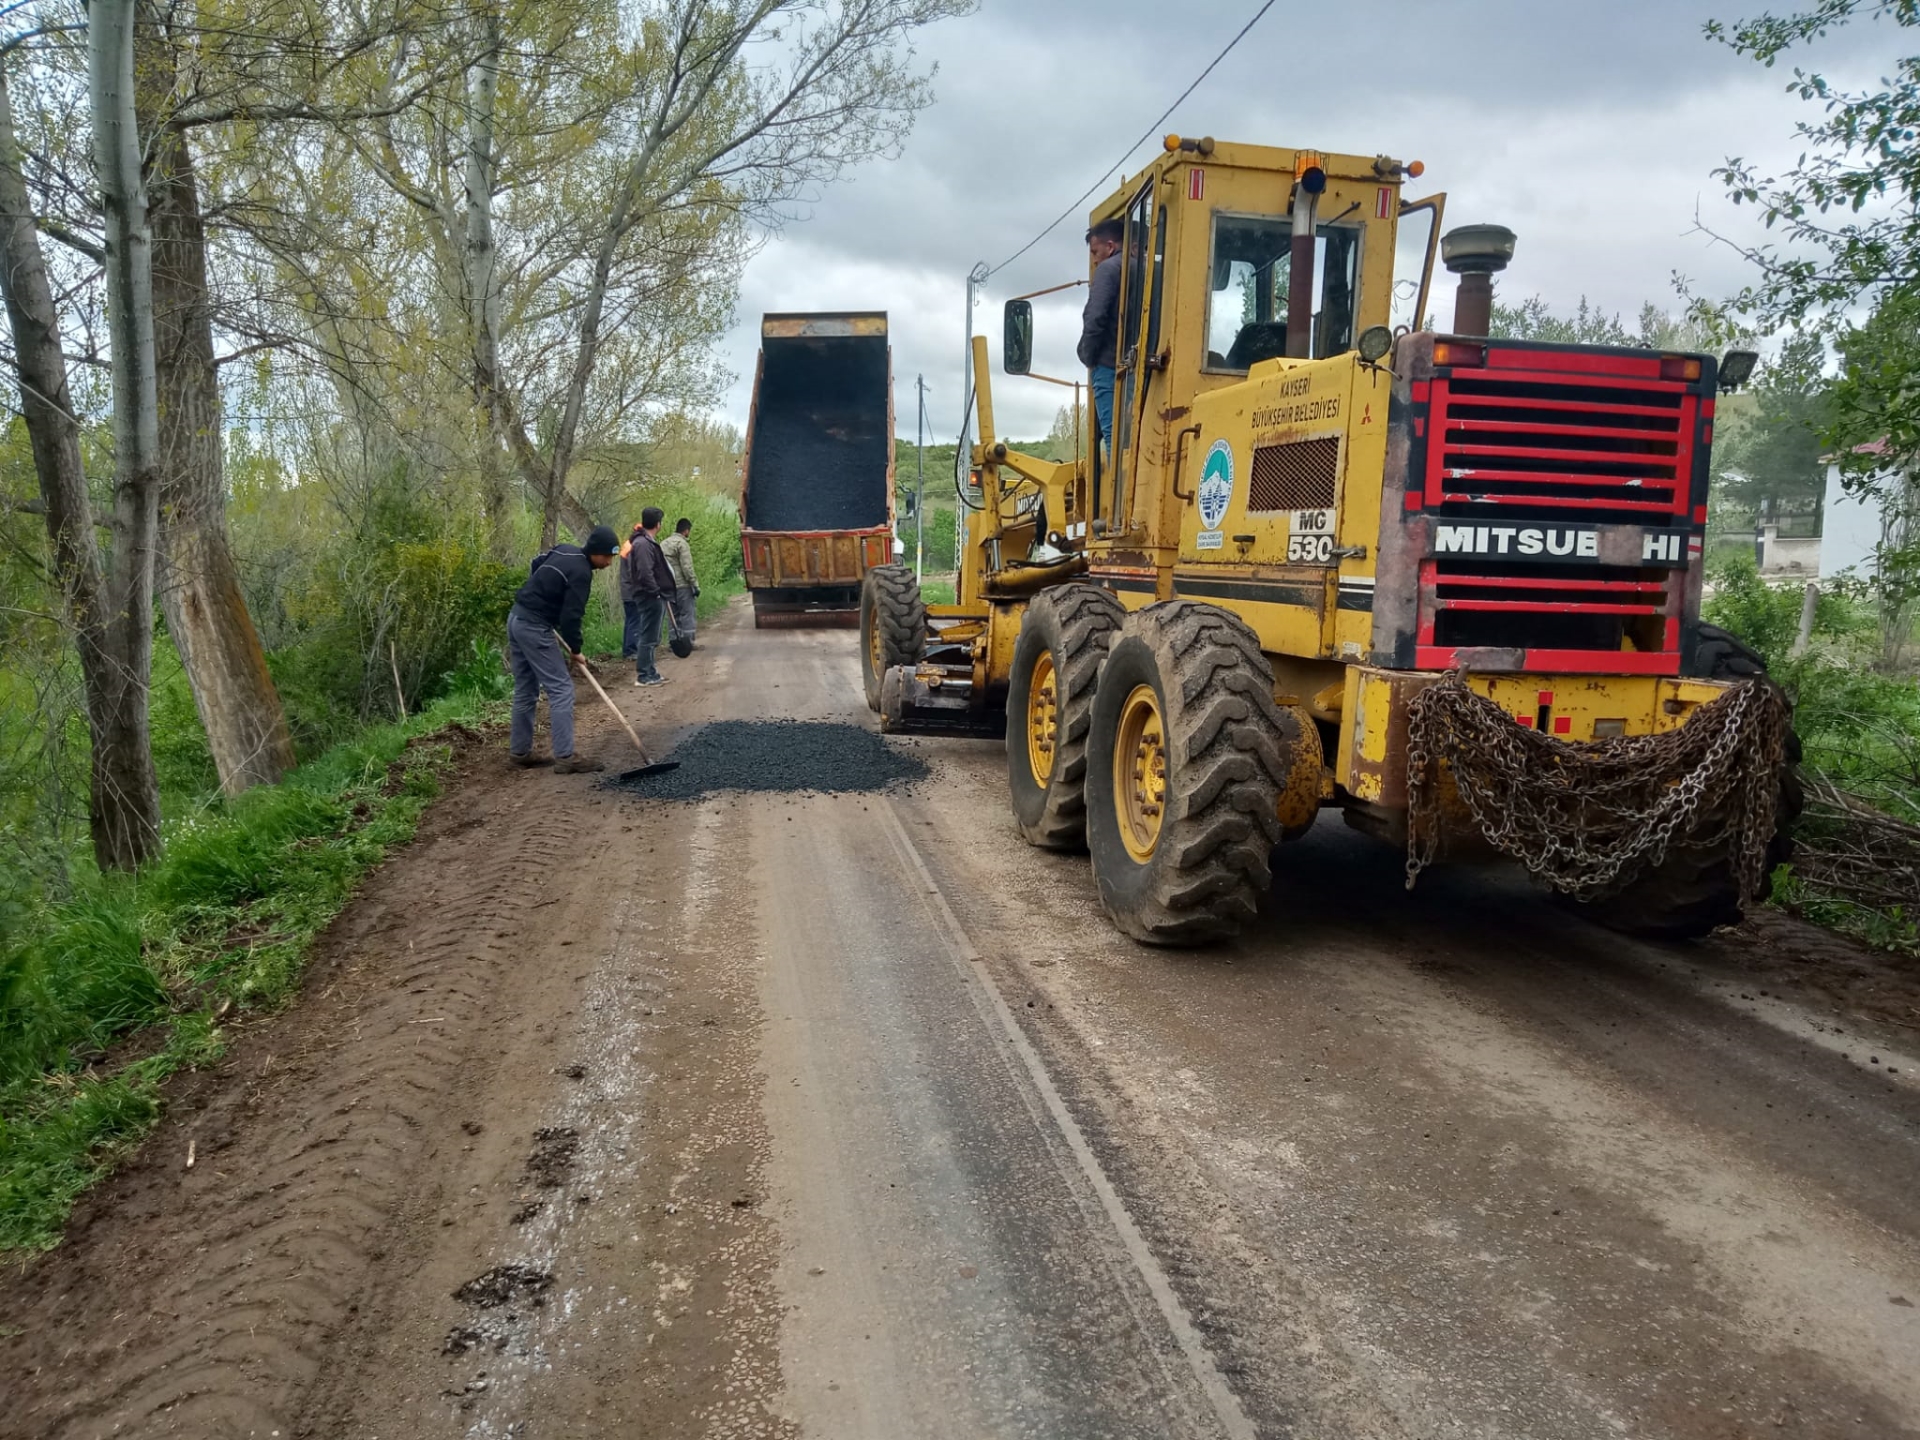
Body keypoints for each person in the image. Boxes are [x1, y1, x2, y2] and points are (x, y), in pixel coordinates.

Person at [507, 525, 618, 773]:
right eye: (608, 557)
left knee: (526, 688)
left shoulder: (565, 550)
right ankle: (566, 757)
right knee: (562, 689)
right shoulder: (581, 573)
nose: (609, 563)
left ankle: (520, 751)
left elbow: (537, 564)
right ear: (597, 553)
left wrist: (542, 594)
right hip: (534, 627)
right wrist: (576, 650)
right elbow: (571, 616)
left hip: (516, 619)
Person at [1077, 218, 1124, 452]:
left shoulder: (1108, 269)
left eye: (1096, 252)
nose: (1094, 260)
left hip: (1109, 366)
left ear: (1110, 246)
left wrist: (1088, 355)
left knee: (1113, 440)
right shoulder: (1146, 268)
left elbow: (1095, 317)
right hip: (1132, 365)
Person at [622, 506, 676, 686]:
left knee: (652, 635)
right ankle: (644, 675)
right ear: (658, 524)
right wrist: (656, 592)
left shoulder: (641, 541)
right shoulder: (643, 544)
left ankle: (650, 672)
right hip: (649, 596)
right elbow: (645, 572)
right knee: (648, 635)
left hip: (648, 595)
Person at [661, 517, 699, 650]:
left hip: (667, 586)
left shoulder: (663, 544)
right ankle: (688, 642)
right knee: (687, 614)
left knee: (673, 615)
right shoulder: (682, 544)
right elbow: (687, 567)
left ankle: (674, 643)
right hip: (682, 585)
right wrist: (694, 584)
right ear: (686, 530)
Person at [617, 522, 645, 658]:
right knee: (634, 620)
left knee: (630, 620)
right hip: (632, 591)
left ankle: (627, 649)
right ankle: (631, 651)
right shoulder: (633, 547)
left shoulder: (627, 545)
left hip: (626, 589)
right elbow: (633, 571)